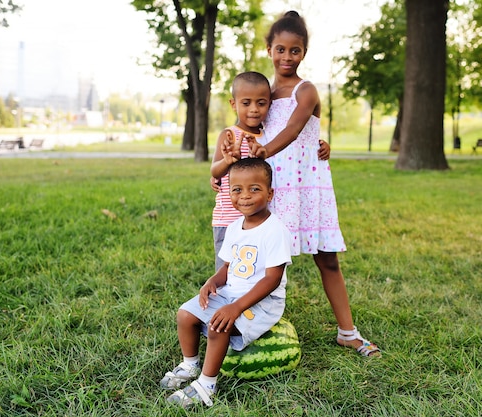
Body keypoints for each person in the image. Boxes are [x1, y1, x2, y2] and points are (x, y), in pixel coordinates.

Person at [259, 10, 381, 357]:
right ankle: (257, 327)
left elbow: (295, 128)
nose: (286, 57)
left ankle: (348, 332)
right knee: (270, 260)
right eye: (280, 49)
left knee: (327, 259)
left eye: (294, 50)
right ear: (269, 49)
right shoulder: (263, 92)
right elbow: (248, 123)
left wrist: (269, 148)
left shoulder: (306, 90)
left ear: (303, 53)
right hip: (276, 187)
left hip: (309, 187)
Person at [162, 157, 292, 408]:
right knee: (185, 315)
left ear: (270, 193)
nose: (245, 196)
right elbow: (228, 267)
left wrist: (237, 307)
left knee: (217, 325)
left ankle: (206, 386)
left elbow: (273, 279)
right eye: (237, 189)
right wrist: (212, 281)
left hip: (263, 302)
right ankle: (190, 365)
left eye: (254, 189)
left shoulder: (275, 230)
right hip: (231, 293)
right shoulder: (233, 227)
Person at [210, 71, 272, 271]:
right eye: (246, 103)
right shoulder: (229, 135)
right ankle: (223, 302)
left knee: (254, 268)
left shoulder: (270, 138)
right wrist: (228, 161)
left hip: (258, 218)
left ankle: (248, 302)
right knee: (226, 270)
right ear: (233, 104)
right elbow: (215, 171)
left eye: (261, 103)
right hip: (228, 219)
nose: (254, 109)